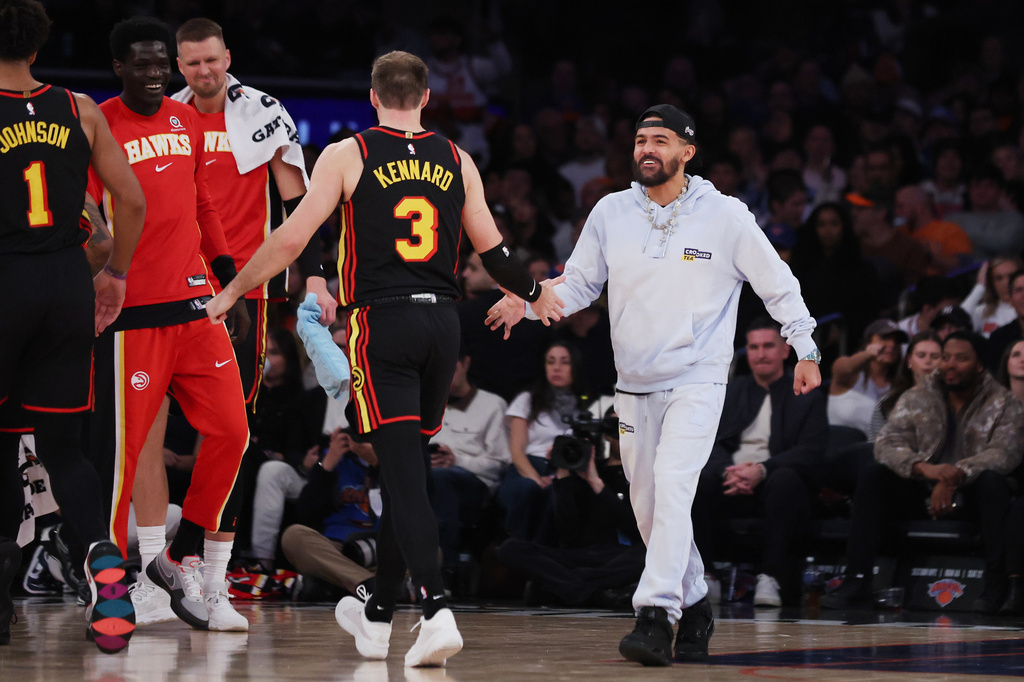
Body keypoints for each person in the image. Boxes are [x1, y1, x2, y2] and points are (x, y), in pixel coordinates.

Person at [204, 51, 563, 668]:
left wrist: (234, 291)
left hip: (383, 322)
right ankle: (376, 611)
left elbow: (295, 237)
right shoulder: (458, 158)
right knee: (406, 470)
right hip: (442, 326)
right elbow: (497, 255)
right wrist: (537, 293)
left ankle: (436, 608)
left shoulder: (350, 154)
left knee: (403, 473)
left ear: (373, 98)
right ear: (426, 98)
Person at [486, 104, 821, 666]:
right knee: (646, 508)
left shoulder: (726, 215)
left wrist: (805, 347)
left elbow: (779, 284)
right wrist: (528, 299)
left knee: (672, 488)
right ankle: (695, 605)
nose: (646, 149)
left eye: (659, 140)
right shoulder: (611, 211)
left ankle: (654, 614)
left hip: (698, 378)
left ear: (687, 152)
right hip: (634, 384)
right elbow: (581, 284)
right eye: (640, 139)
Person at [88, 17, 250, 633]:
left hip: (195, 306)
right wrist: (101, 268)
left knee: (232, 431)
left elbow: (204, 203)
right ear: (119, 68)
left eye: (164, 63)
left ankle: (194, 570)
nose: (158, 73)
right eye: (146, 63)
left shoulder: (185, 122)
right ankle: (114, 579)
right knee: (126, 459)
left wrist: (229, 276)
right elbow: (82, 209)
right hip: (131, 316)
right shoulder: (99, 122)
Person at [0, 0, 146, 653]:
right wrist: (113, 274)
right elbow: (131, 202)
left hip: (5, 280)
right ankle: (101, 557)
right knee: (63, 448)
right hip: (64, 284)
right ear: (38, 44)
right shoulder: (79, 108)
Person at [822, 331, 1024, 613]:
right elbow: (887, 442)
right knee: (874, 474)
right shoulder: (917, 396)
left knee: (994, 482)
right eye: (946, 357)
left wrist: (955, 474)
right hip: (921, 489)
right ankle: (857, 581)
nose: (950, 364)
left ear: (979, 365)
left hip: (972, 493)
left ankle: (994, 588)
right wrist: (925, 468)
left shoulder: (1005, 403)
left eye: (961, 359)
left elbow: (1005, 453)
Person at [692, 318, 828, 608]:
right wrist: (726, 471)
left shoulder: (807, 393)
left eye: (768, 346)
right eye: (753, 347)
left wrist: (763, 469)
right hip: (729, 477)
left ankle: (771, 577)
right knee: (695, 479)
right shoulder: (730, 389)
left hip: (777, 480)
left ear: (784, 351)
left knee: (786, 481)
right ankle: (706, 576)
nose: (761, 354)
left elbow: (810, 451)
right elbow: (706, 438)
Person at [428, 346, 511, 590]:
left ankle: (447, 570)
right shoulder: (426, 403)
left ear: (466, 363)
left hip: (475, 484)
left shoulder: (492, 405)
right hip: (429, 475)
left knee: (442, 479)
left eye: (452, 367)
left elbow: (499, 465)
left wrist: (457, 461)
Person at [498, 340, 592, 543]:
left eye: (564, 362)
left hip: (564, 472)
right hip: (526, 470)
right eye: (551, 362)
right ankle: (513, 548)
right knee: (529, 489)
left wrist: (558, 477)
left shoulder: (585, 406)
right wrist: (536, 479)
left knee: (560, 494)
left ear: (575, 367)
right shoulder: (527, 400)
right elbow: (517, 451)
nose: (556, 368)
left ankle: (539, 557)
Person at [827, 319, 905, 437]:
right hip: (838, 447)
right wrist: (868, 354)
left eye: (897, 341)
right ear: (869, 341)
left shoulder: (899, 385)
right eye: (884, 338)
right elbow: (844, 368)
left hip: (874, 450)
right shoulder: (851, 374)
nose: (892, 344)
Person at [867, 330, 942, 440]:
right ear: (909, 360)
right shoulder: (888, 402)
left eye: (935, 356)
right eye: (921, 355)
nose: (928, 361)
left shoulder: (953, 401)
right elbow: (874, 446)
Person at [960, 256, 1022, 337]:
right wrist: (980, 287)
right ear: (991, 283)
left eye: (1011, 276)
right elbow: (956, 321)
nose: (1006, 283)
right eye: (999, 278)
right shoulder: (983, 311)